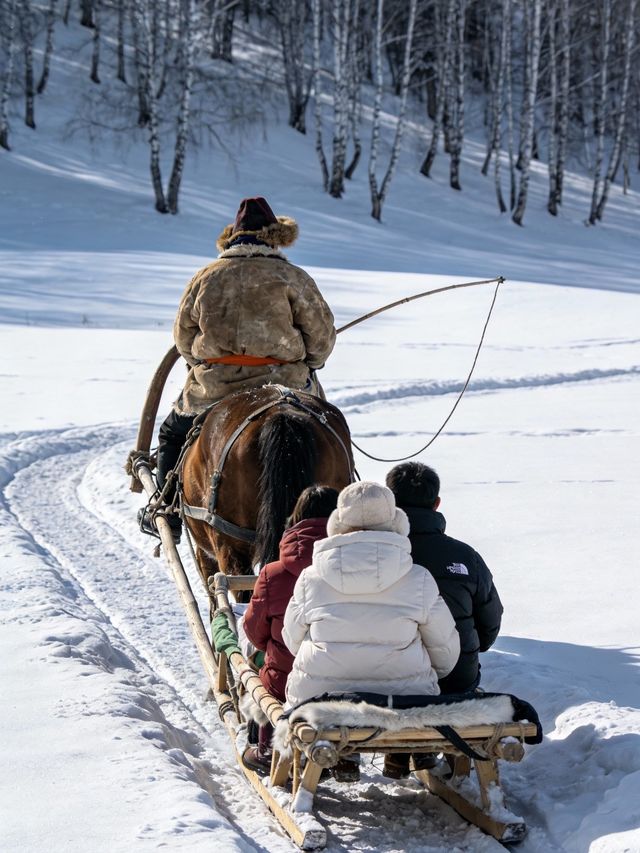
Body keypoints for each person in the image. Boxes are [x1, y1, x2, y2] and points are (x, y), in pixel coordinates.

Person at [139, 197, 336, 541]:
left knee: (173, 433)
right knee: (327, 431)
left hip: (213, 389)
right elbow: (320, 339)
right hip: (286, 384)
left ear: (233, 237)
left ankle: (167, 508)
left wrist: (203, 361)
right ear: (275, 238)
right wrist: (308, 362)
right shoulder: (294, 277)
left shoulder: (206, 277)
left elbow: (184, 337)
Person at [282, 482, 460, 779]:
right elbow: (445, 648)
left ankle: (342, 757)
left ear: (338, 522)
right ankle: (403, 754)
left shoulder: (310, 578)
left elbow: (292, 640)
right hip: (407, 699)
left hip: (319, 697)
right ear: (395, 523)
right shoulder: (419, 578)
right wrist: (427, 677)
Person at [383, 461, 504, 778]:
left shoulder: (374, 555)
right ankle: (416, 750)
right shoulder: (465, 556)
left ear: (390, 502)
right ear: (436, 504)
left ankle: (400, 752)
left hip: (381, 679)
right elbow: (490, 622)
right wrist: (471, 649)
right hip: (456, 679)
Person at [241, 485, 339, 774]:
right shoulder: (363, 569)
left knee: (266, 667)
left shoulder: (273, 574)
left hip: (287, 682)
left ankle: (266, 748)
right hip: (352, 683)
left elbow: (254, 632)